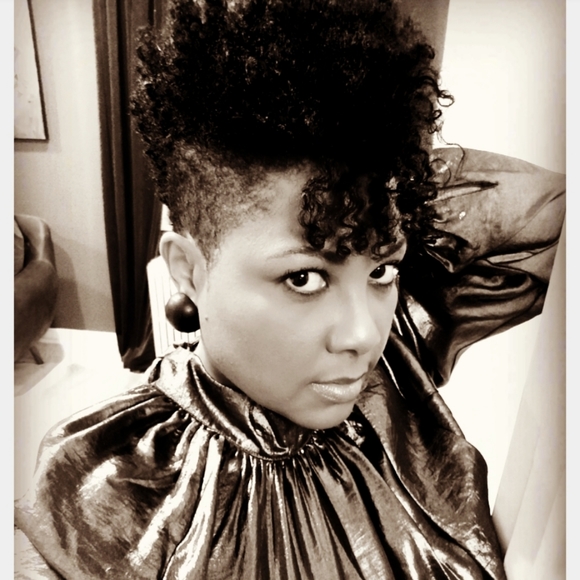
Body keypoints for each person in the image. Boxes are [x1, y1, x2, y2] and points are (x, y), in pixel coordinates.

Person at [14, 0, 565, 578]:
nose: (364, 335)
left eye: (382, 272)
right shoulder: (109, 484)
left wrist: (393, 190)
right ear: (189, 270)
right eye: (304, 278)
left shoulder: (398, 368)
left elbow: (557, 218)